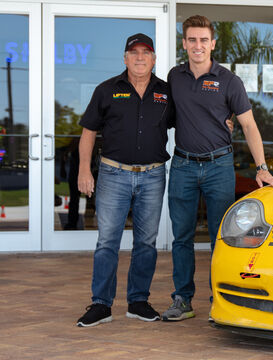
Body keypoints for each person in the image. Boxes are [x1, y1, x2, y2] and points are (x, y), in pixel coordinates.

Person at [162, 15, 273, 321]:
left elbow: (249, 125)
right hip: (183, 165)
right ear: (184, 43)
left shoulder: (229, 80)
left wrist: (262, 167)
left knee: (223, 237)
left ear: (213, 43)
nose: (198, 45)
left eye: (204, 40)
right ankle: (182, 299)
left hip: (219, 166)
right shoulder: (174, 77)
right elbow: (169, 118)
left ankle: (221, 299)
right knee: (181, 237)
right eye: (192, 39)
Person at [76, 33, 171, 327]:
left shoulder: (166, 93)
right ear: (125, 58)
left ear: (154, 59)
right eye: (134, 52)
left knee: (146, 242)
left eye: (146, 52)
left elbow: (193, 118)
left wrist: (225, 119)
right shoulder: (107, 90)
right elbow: (88, 132)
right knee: (107, 241)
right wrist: (83, 169)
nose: (140, 57)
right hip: (113, 174)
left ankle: (138, 302)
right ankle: (101, 305)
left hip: (153, 175)